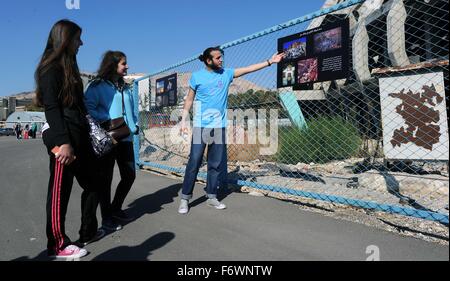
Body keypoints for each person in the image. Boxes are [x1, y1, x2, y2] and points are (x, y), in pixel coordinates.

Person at [178, 46, 285, 214]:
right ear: (208, 60)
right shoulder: (197, 77)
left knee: (215, 164)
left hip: (219, 128)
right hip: (200, 127)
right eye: (218, 57)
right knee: (194, 162)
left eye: (222, 57)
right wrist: (184, 121)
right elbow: (189, 99)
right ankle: (185, 198)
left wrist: (269, 62)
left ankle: (211, 196)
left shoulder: (226, 74)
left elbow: (248, 69)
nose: (221, 60)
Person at [35, 19, 104, 259]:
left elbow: (78, 106)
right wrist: (63, 142)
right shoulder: (49, 69)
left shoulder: (70, 68)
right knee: (59, 191)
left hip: (79, 135)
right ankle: (57, 244)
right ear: (65, 40)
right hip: (62, 137)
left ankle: (87, 230)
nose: (81, 43)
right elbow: (52, 108)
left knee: (95, 183)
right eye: (77, 39)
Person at [84, 51, 139, 231]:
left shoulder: (125, 86)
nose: (127, 66)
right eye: (124, 63)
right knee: (105, 179)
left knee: (129, 175)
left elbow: (130, 110)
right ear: (113, 65)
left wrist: (134, 125)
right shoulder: (97, 86)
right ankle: (106, 217)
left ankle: (115, 207)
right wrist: (108, 120)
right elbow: (88, 108)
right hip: (108, 138)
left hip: (126, 137)